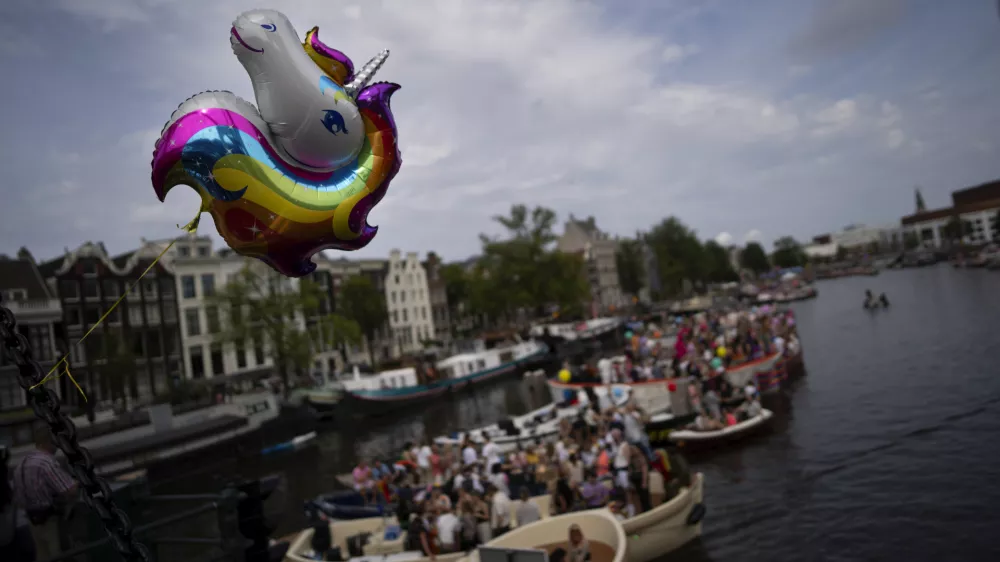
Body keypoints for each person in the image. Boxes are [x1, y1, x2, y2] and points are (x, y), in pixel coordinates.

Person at [13, 427, 78, 560]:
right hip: (50, 520)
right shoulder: (47, 463)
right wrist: (78, 482)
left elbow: (18, 499)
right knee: (58, 555)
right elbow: (69, 490)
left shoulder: (22, 464)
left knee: (42, 556)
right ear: (48, 442)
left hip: (32, 520)